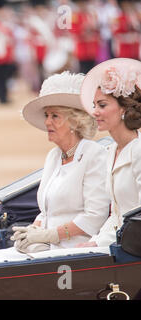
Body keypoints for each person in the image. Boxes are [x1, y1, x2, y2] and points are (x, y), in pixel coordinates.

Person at [0, 71, 110, 266]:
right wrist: (33, 229)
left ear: (75, 121)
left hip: (78, 247)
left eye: (55, 116)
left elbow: (94, 217)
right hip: (46, 246)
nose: (47, 122)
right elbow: (47, 211)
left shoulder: (94, 154)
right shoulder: (54, 156)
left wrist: (50, 235)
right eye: (47, 115)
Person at [78, 57, 141, 248]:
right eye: (94, 105)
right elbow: (116, 215)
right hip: (117, 244)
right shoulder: (111, 150)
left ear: (123, 108)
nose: (94, 111)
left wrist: (99, 245)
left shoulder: (138, 150)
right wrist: (94, 243)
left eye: (102, 105)